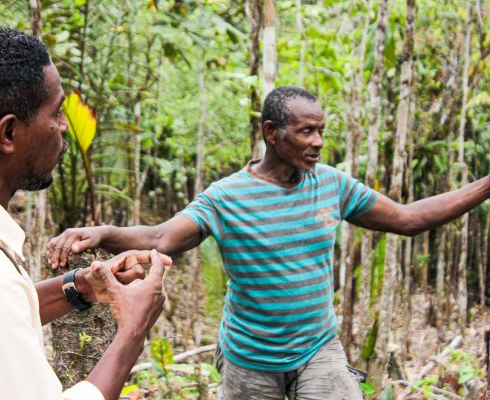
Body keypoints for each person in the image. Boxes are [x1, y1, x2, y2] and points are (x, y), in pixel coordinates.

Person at [48, 86, 490, 399]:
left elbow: (410, 219)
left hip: (318, 348)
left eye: (321, 131)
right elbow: (162, 236)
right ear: (271, 132)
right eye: (305, 132)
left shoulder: (332, 185)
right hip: (249, 358)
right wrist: (105, 233)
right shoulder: (227, 196)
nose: (317, 143)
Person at [0, 27, 171, 400]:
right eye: (56, 113)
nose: (64, 127)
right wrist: (132, 331)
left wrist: (80, 287)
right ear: (8, 134)